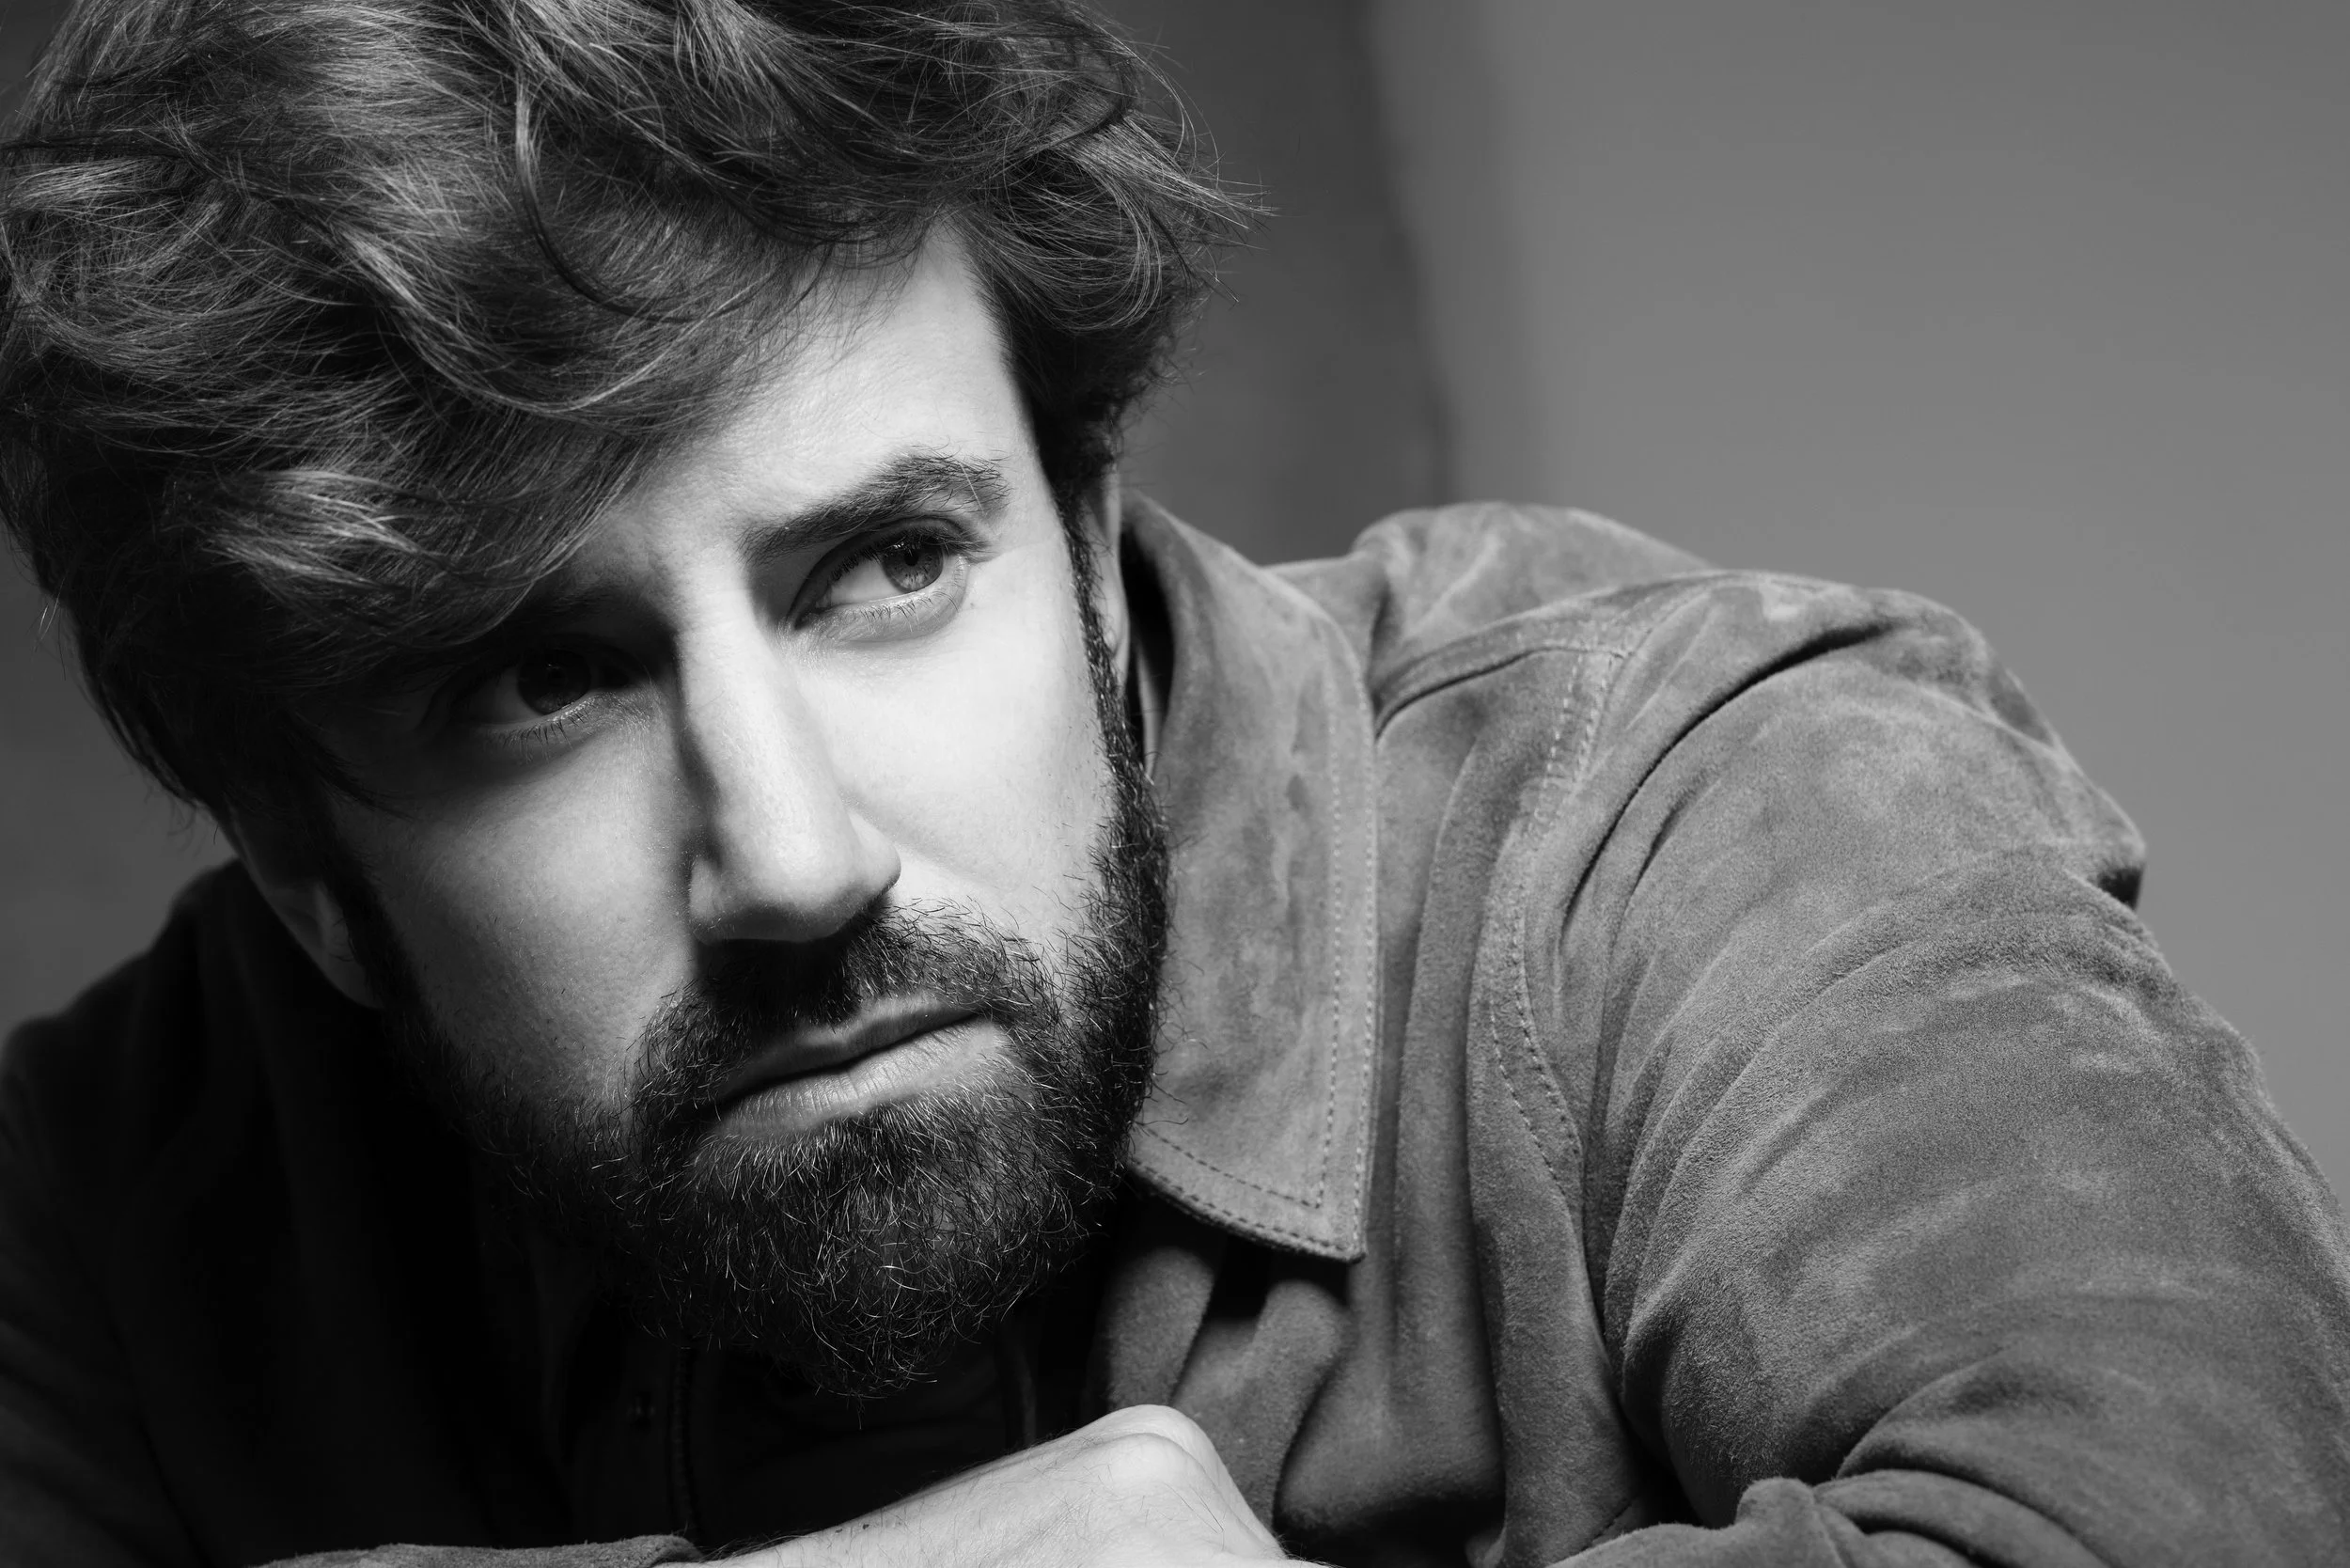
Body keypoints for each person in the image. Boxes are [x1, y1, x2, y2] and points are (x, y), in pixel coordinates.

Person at [2, 0, 2344, 1564]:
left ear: (1088, 551)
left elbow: (2188, 1520)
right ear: (309, 866)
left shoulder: (1703, 791)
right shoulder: (108, 1206)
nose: (793, 859)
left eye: (891, 566)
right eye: (541, 685)